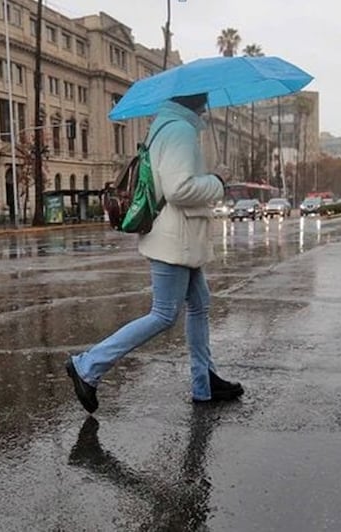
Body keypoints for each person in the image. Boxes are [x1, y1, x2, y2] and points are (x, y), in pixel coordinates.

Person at [65, 93, 244, 413]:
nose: (207, 103)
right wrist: (217, 181)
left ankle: (204, 381)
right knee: (163, 314)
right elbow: (179, 189)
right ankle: (88, 365)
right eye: (204, 98)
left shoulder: (167, 126)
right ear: (196, 101)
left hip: (181, 239)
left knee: (200, 305)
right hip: (173, 240)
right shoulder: (179, 131)